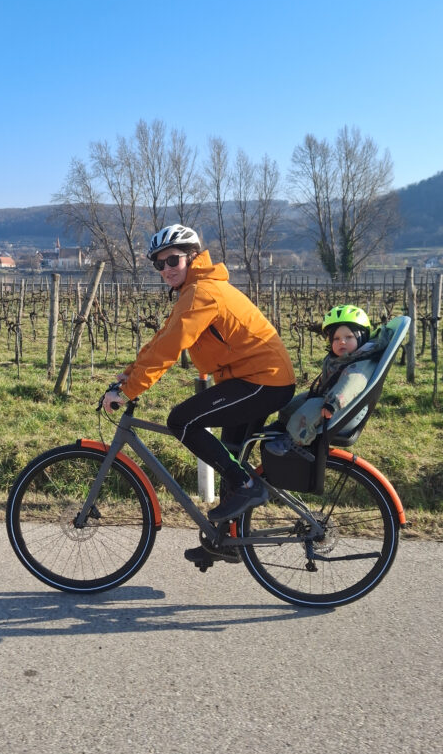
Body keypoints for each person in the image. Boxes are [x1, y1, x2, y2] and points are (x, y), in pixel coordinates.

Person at [103, 224, 296, 566]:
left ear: (193, 257)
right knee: (230, 455)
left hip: (262, 381)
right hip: (254, 379)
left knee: (181, 421)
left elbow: (170, 348)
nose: (166, 269)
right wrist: (131, 374)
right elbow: (164, 337)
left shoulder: (201, 292)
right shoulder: (193, 290)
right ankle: (226, 541)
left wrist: (129, 390)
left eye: (173, 260)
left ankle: (248, 488)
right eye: (159, 264)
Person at [268, 304, 391, 456]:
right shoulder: (345, 358)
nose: (342, 342)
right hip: (332, 399)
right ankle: (282, 425)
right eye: (336, 338)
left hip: (346, 408)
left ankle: (292, 440)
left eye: (349, 337)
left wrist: (332, 404)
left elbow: (351, 385)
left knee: (310, 409)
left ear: (362, 337)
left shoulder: (360, 364)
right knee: (296, 402)